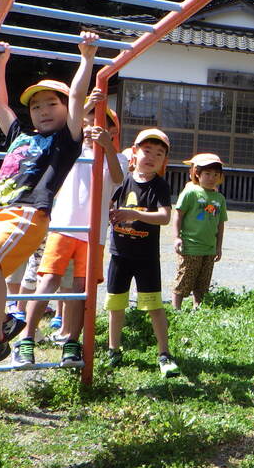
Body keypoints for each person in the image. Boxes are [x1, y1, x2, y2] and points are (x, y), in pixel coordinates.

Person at [0, 33, 99, 372]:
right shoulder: (20, 135)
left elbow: (79, 94)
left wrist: (86, 58)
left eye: (52, 103)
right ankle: (6, 321)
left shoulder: (65, 140)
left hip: (26, 212)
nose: (42, 110)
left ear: (67, 110)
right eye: (36, 106)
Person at [12, 97, 125, 369]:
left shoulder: (113, 156)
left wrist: (107, 147)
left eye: (98, 124)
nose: (90, 127)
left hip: (93, 234)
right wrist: (85, 106)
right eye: (86, 121)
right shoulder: (70, 149)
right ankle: (26, 338)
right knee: (47, 280)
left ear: (111, 132)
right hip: (63, 227)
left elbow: (118, 179)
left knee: (80, 288)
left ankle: (72, 342)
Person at [106, 128, 180, 377]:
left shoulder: (159, 185)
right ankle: (113, 349)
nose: (151, 157)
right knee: (116, 306)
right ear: (134, 153)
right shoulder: (123, 179)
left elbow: (165, 216)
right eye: (147, 151)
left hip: (146, 258)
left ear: (163, 162)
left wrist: (135, 214)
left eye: (158, 154)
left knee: (154, 306)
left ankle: (164, 353)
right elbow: (109, 203)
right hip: (119, 254)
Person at [172, 153, 228, 310]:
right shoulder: (191, 192)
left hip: (209, 248)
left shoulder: (220, 198)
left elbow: (220, 224)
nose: (212, 178)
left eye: (216, 175)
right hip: (190, 246)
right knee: (185, 278)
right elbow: (178, 214)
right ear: (197, 173)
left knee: (203, 283)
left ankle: (198, 309)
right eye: (207, 174)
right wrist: (176, 237)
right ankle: (176, 310)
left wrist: (219, 247)